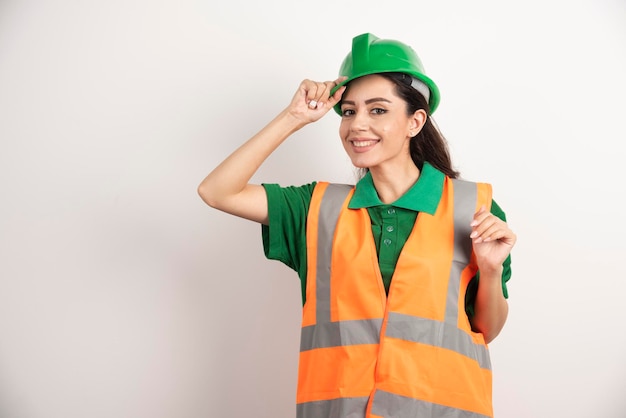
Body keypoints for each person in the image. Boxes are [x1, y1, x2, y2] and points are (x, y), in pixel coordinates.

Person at [198, 32, 516, 418]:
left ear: (415, 121)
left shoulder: (472, 207)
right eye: (349, 111)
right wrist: (293, 117)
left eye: (378, 110)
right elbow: (217, 191)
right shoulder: (315, 209)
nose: (357, 125)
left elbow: (487, 328)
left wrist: (490, 267)